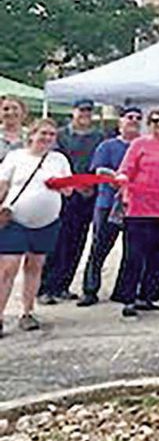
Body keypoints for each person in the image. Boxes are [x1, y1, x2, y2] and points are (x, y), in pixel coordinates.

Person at [111, 109, 159, 318]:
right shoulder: (139, 144)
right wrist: (122, 181)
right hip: (139, 209)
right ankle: (127, 298)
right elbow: (125, 170)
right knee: (134, 255)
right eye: (155, 121)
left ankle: (148, 296)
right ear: (149, 124)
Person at [0, 119, 73, 335]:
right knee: (7, 268)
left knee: (35, 266)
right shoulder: (16, 157)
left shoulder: (58, 159)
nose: (48, 138)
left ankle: (28, 312)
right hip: (15, 220)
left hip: (46, 222)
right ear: (31, 134)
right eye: (44, 133)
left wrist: (61, 184)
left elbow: (68, 190)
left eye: (52, 135)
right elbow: (2, 185)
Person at [78, 107, 143, 307]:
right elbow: (99, 170)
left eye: (138, 118)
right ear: (120, 121)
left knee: (132, 251)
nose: (133, 121)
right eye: (129, 117)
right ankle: (90, 290)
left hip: (136, 206)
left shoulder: (144, 146)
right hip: (108, 203)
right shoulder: (107, 146)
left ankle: (124, 291)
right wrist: (119, 180)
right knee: (99, 248)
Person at [40, 99, 102, 304]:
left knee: (77, 242)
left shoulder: (98, 136)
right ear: (73, 112)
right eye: (82, 110)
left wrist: (91, 184)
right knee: (57, 242)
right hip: (63, 195)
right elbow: (54, 162)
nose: (85, 114)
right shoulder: (60, 135)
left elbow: (99, 164)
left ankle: (63, 285)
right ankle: (45, 288)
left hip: (87, 196)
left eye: (89, 110)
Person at [0, 96, 27, 163]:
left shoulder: (32, 135)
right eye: (6, 109)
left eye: (15, 109)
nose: (10, 112)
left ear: (23, 113)